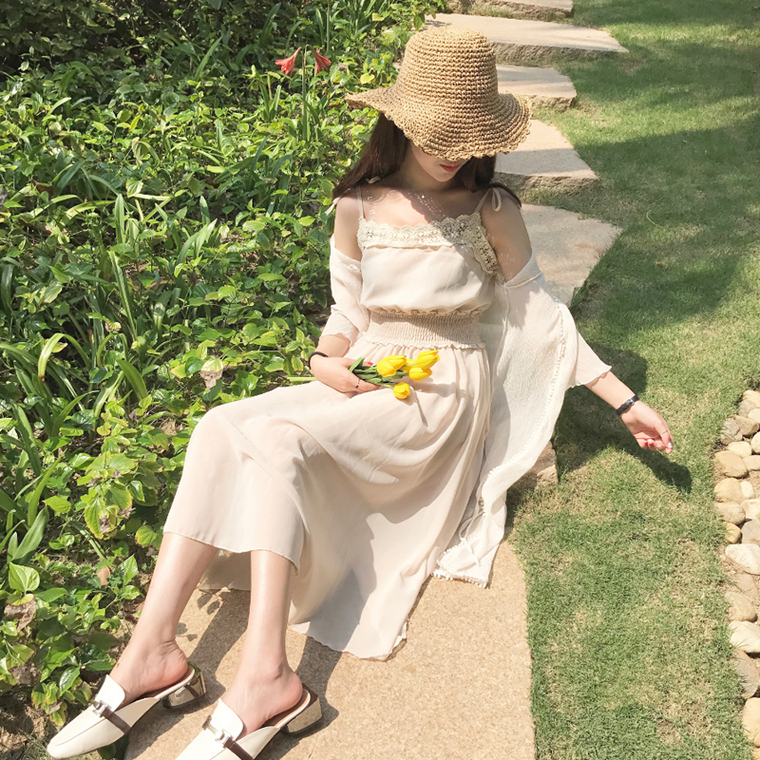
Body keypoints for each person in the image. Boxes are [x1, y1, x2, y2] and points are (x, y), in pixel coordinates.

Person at [47, 24, 673, 760]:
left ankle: (267, 680)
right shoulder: (358, 204)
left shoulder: (492, 207)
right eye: (439, 132)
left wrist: (622, 399)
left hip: (442, 390)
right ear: (401, 122)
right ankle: (151, 654)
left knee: (279, 444)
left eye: (468, 135)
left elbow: (540, 314)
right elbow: (347, 313)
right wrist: (326, 359)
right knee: (219, 424)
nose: (454, 150)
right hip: (370, 373)